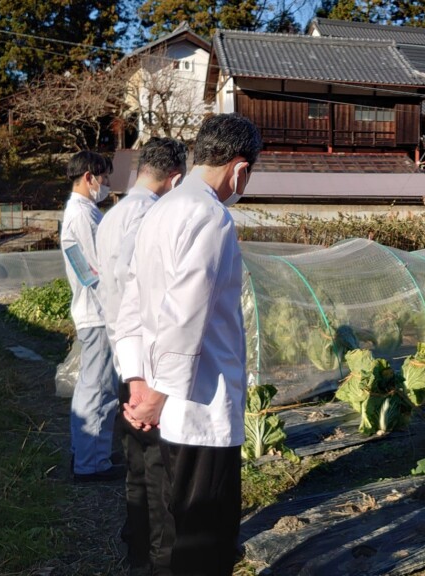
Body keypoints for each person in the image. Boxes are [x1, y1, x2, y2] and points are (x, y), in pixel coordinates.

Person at [115, 114, 261, 576]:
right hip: (198, 405)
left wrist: (138, 381)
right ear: (239, 169)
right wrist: (156, 395)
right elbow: (186, 313)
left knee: (172, 524)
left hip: (160, 399)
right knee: (203, 535)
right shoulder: (210, 216)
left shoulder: (160, 209)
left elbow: (133, 300)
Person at [97, 137, 187, 574]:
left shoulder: (111, 215)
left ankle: (135, 545)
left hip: (122, 355)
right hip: (148, 365)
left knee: (137, 464)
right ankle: (158, 556)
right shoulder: (156, 217)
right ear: (175, 178)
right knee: (158, 470)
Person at [61, 150, 123, 483]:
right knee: (98, 387)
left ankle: (88, 453)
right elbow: (96, 270)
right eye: (105, 178)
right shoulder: (82, 216)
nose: (107, 185)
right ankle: (91, 463)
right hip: (97, 312)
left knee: (93, 385)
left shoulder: (82, 212)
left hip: (94, 311)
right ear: (89, 177)